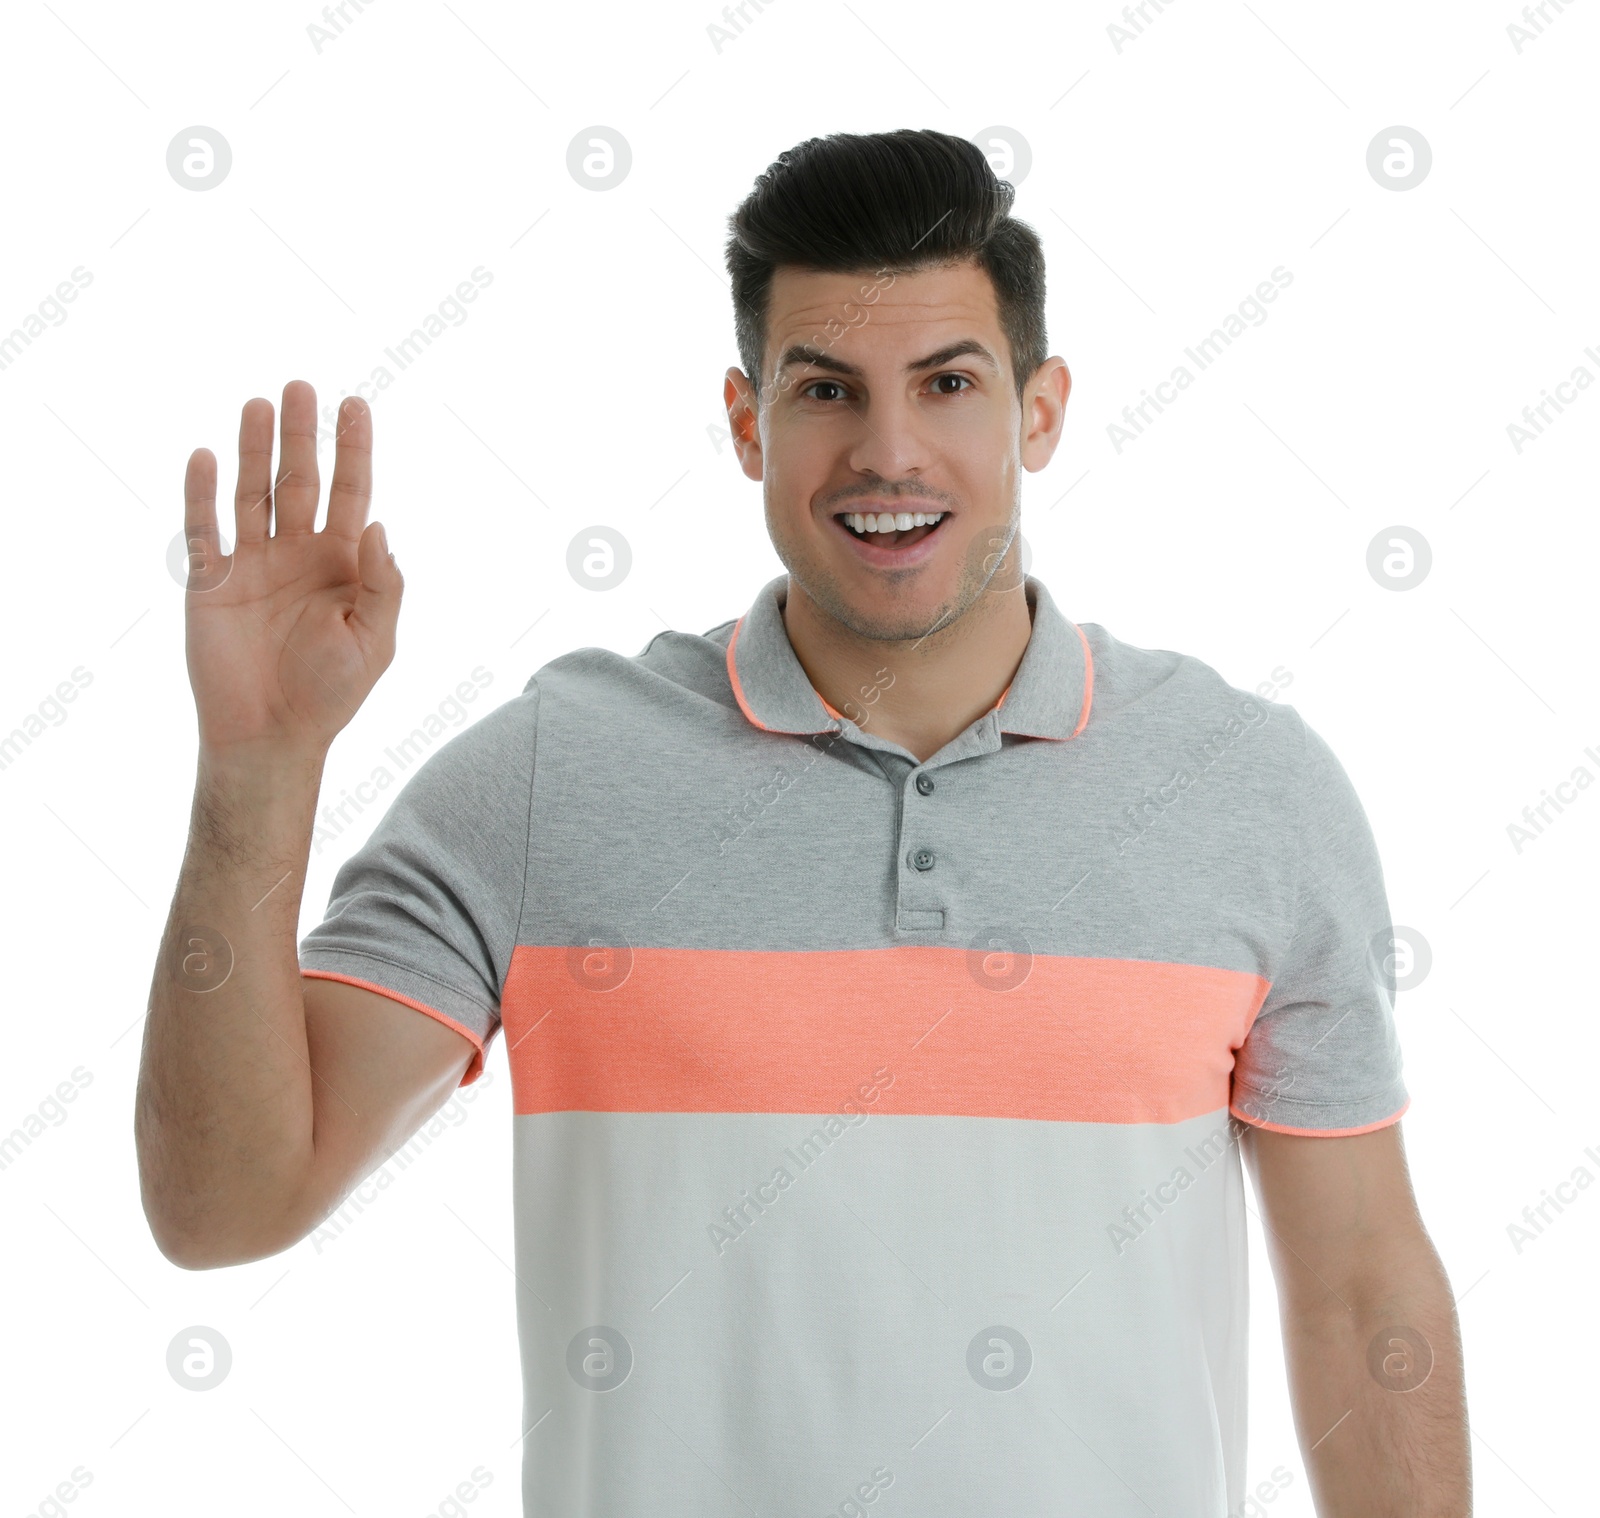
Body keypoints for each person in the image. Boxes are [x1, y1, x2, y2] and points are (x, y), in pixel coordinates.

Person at [135, 128, 1470, 1515]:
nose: (887, 451)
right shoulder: (552, 775)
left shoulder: (1248, 789)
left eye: (947, 383)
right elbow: (222, 1205)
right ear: (744, 420)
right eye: (825, 389)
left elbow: (1364, 1287)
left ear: (1041, 410)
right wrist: (259, 765)